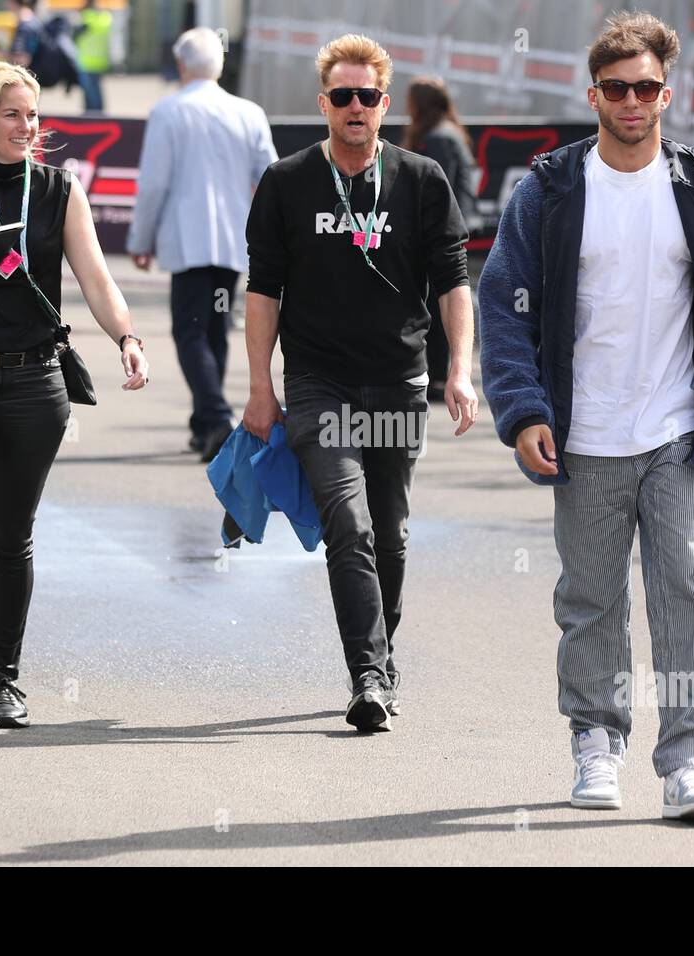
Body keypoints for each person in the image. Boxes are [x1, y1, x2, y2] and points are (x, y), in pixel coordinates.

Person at [478, 11, 694, 820]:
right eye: (618, 88)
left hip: (677, 430)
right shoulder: (551, 190)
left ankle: (688, 762)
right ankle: (596, 743)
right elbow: (504, 307)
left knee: (688, 590)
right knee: (590, 599)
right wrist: (522, 411)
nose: (633, 102)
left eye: (648, 87)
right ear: (593, 93)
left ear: (668, 92)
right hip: (582, 434)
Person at [243, 34, 477, 732]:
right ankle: (368, 675)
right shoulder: (286, 182)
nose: (354, 107)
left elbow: (453, 283)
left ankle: (381, 653)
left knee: (392, 534)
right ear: (323, 104)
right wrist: (262, 386)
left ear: (383, 105)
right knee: (349, 524)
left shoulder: (422, 180)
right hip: (320, 383)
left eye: (367, 96)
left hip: (400, 380)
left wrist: (458, 368)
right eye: (341, 96)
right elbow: (263, 292)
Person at [0, 61, 150, 741]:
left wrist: (126, 337)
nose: (27, 127)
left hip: (36, 383)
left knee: (12, 538)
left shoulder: (57, 190)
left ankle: (5, 679)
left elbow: (96, 279)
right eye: (12, 114)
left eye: (34, 116)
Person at [128, 27, 277, 462]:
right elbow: (268, 175)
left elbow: (154, 183)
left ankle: (214, 417)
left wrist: (141, 238)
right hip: (234, 238)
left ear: (180, 64)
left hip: (188, 239)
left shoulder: (168, 111)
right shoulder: (247, 111)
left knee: (190, 330)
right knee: (215, 327)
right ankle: (203, 422)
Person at [402, 75, 477, 402]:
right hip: (440, 229)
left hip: (440, 232)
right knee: (435, 300)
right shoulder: (445, 133)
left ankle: (438, 376)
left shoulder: (440, 139)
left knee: (438, 301)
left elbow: (436, 191)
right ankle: (435, 375)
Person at [73, 0, 111, 112]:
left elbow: (73, 36)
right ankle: (100, 118)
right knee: (97, 94)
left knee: (90, 97)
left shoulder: (86, 20)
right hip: (100, 62)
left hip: (86, 63)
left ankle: (92, 120)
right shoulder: (105, 18)